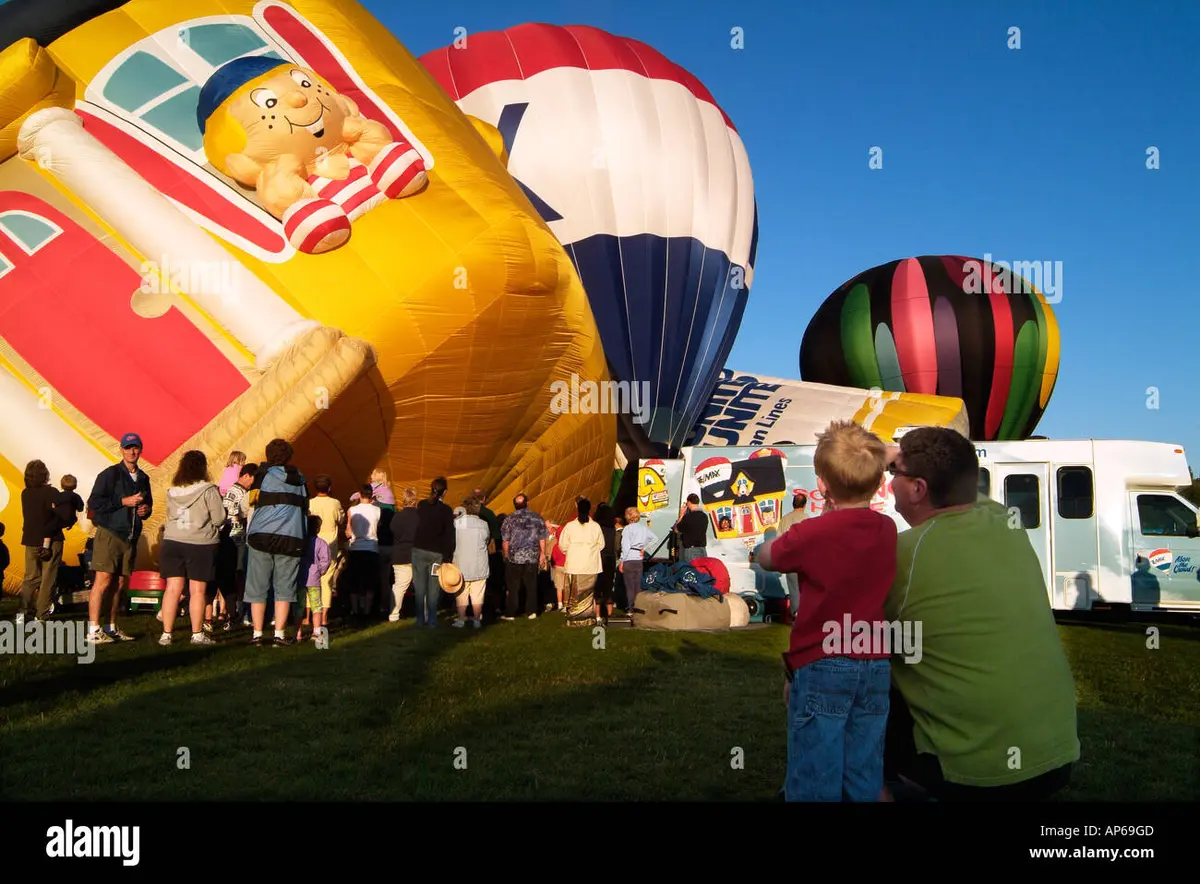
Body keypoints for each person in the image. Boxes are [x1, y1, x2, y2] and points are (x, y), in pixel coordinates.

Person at [880, 427, 1079, 801]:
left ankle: (879, 790)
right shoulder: (1004, 521)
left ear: (918, 489)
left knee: (853, 673)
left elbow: (849, 631)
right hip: (1055, 757)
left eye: (895, 475)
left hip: (976, 776)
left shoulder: (903, 552)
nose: (890, 484)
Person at [755, 420, 897, 802]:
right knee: (864, 767)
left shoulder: (810, 533)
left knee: (816, 771)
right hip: (875, 664)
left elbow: (768, 557)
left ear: (821, 485)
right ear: (878, 483)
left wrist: (769, 544)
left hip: (823, 660)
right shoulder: (886, 530)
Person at [86, 433, 152, 643]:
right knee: (103, 580)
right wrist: (122, 501)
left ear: (140, 450)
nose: (132, 452)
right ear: (121, 450)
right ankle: (93, 629)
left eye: (135, 448)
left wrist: (145, 510)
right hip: (110, 533)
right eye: (128, 448)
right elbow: (94, 502)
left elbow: (147, 504)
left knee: (120, 583)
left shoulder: (143, 478)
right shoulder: (110, 474)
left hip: (130, 536)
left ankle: (111, 626)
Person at [244, 438, 308, 646]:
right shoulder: (299, 478)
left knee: (257, 586)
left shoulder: (262, 475)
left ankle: (257, 633)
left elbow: (251, 501)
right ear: (289, 456)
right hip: (292, 536)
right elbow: (305, 506)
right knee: (285, 587)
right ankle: (279, 634)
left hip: (261, 535)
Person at [158, 450, 225, 646]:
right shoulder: (209, 490)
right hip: (200, 544)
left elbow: (170, 515)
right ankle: (197, 634)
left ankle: (166, 634)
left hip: (172, 541)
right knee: (197, 591)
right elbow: (219, 518)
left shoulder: (172, 491)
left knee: (172, 589)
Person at [216, 463, 256, 630]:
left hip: (234, 538)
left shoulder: (235, 491)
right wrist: (243, 516)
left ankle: (234, 611)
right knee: (238, 575)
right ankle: (238, 612)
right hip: (235, 539)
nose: (252, 483)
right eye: (252, 479)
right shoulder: (237, 492)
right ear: (246, 476)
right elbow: (231, 515)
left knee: (236, 576)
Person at [19, 460, 60, 622]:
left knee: (30, 577)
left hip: (30, 539)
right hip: (51, 539)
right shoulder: (51, 493)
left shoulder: (25, 493)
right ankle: (42, 614)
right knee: (48, 578)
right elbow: (57, 515)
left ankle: (22, 612)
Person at [411, 477, 455, 627]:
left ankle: (419, 619)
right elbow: (449, 535)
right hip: (436, 553)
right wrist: (448, 556)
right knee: (433, 587)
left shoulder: (422, 505)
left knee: (420, 586)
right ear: (445, 492)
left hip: (418, 550)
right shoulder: (446, 511)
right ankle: (432, 620)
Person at [500, 492, 547, 620]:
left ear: (514, 505)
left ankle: (511, 612)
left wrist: (506, 555)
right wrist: (543, 553)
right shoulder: (537, 517)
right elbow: (542, 537)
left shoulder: (509, 519)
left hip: (514, 557)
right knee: (531, 585)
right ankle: (531, 611)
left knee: (513, 586)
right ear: (527, 503)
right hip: (532, 556)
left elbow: (505, 541)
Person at [558, 498, 604, 627]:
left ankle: (574, 619)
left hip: (574, 565)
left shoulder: (570, 526)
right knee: (588, 594)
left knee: (574, 594)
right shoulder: (595, 526)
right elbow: (601, 545)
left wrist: (573, 552)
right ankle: (588, 619)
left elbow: (562, 545)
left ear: (577, 509)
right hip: (591, 566)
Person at [308, 475, 345, 618]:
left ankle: (308, 615)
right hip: (330, 544)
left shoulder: (310, 503)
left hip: (312, 543)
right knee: (326, 580)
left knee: (310, 578)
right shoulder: (335, 503)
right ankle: (323, 615)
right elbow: (341, 519)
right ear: (329, 488)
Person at [452, 497, 490, 628]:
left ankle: (461, 619)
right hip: (479, 564)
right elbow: (486, 540)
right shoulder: (483, 524)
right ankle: (476, 620)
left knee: (461, 593)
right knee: (478, 594)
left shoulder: (457, 523)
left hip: (461, 564)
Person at [345, 484, 381, 615]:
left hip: (356, 548)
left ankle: (355, 610)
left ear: (360, 495)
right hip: (372, 548)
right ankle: (367, 610)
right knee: (370, 581)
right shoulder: (377, 510)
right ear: (371, 496)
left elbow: (348, 531)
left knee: (354, 581)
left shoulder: (352, 510)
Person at [297, 514, 331, 641]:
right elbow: (326, 560)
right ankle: (316, 631)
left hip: (300, 577)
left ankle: (298, 631)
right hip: (314, 578)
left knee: (299, 606)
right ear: (318, 528)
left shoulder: (301, 542)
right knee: (316, 606)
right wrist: (319, 571)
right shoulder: (321, 543)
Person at [775, 491, 809, 616]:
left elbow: (778, 540)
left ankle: (796, 613)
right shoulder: (807, 519)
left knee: (794, 588)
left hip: (790, 559)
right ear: (805, 505)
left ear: (793, 504)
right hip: (805, 559)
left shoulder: (784, 520)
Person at [618, 507, 657, 612]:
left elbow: (625, 547)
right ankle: (638, 607)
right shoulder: (643, 528)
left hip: (629, 558)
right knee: (637, 585)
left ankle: (631, 608)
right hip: (639, 558)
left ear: (627, 517)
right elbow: (655, 538)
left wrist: (622, 561)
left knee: (629, 585)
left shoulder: (627, 529)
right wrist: (644, 548)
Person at [389, 487, 419, 621]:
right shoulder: (421, 516)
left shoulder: (397, 517)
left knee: (399, 586)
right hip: (418, 554)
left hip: (400, 554)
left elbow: (393, 532)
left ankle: (394, 614)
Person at [594, 503, 617, 621]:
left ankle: (598, 615)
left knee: (598, 587)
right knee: (608, 587)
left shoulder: (596, 527)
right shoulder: (612, 528)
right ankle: (609, 614)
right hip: (611, 558)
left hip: (599, 558)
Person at [674, 494, 709, 562]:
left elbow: (676, 530)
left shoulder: (687, 517)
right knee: (701, 571)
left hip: (691, 550)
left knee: (692, 570)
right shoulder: (704, 517)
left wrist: (681, 515)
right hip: (702, 549)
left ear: (689, 502)